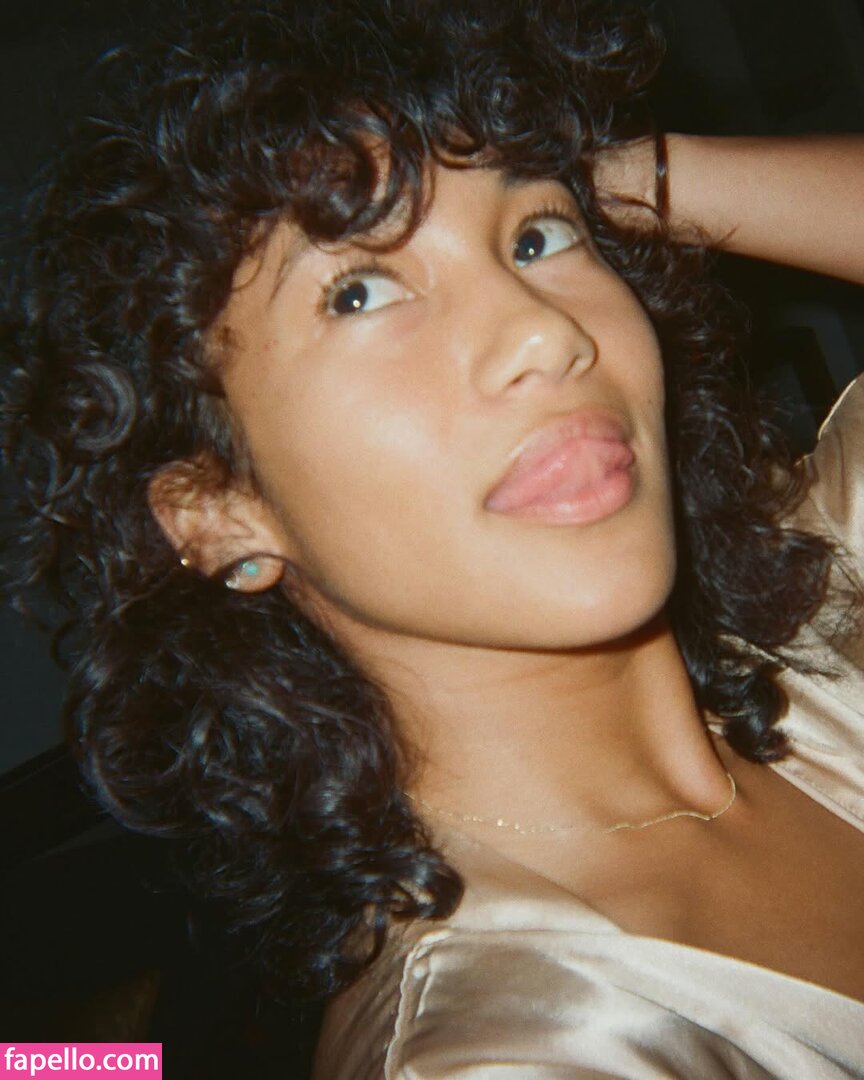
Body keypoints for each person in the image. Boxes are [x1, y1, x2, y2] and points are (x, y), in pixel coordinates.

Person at [3, 0, 864, 1074]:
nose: (543, 331)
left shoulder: (827, 622)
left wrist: (576, 173)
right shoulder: (514, 1051)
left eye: (540, 242)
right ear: (219, 510)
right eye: (359, 292)